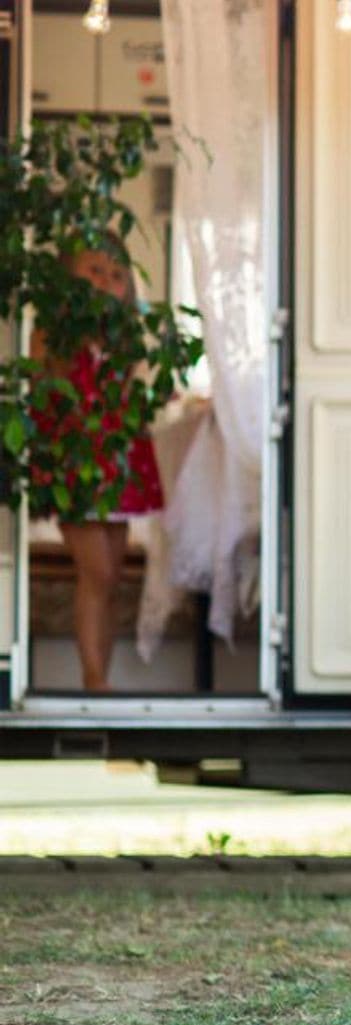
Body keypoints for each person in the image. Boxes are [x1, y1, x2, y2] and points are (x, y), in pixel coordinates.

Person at [28, 245, 166, 692]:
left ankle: (99, 679)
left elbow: (126, 392)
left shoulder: (124, 334)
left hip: (115, 456)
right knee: (98, 572)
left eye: (116, 274)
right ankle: (92, 679)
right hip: (75, 457)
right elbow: (45, 384)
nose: (106, 281)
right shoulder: (54, 329)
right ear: (71, 276)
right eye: (95, 271)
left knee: (112, 575)